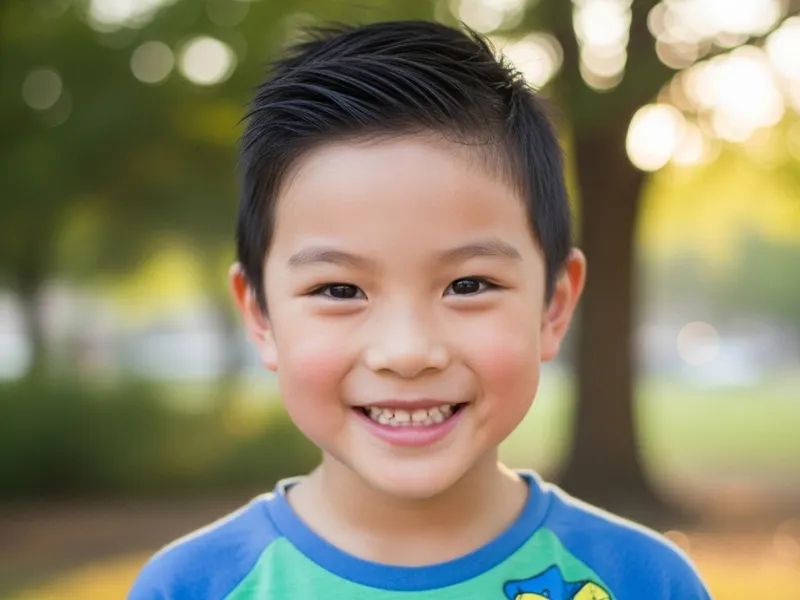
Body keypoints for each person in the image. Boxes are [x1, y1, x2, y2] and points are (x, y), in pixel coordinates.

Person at [129, 20, 711, 600]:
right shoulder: (192, 588)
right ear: (260, 316)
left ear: (552, 309)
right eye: (338, 291)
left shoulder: (644, 582)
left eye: (468, 284)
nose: (407, 352)